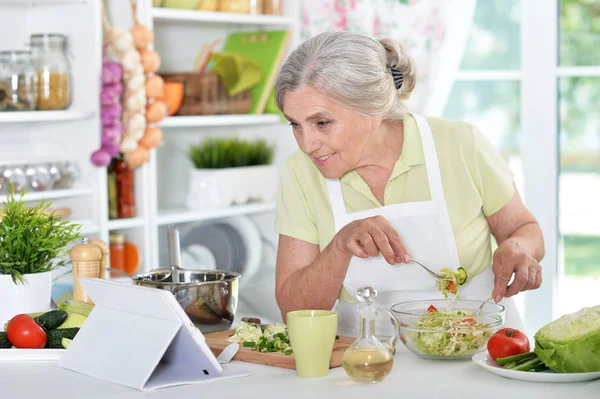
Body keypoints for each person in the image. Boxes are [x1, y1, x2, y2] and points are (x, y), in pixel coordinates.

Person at [272, 30, 544, 337]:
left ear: (372, 108)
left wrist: (519, 249)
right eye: (295, 123)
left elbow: (524, 229)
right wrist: (339, 248)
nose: (307, 145)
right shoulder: (300, 171)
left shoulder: (460, 144)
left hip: (478, 348)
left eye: (322, 123)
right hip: (365, 360)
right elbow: (292, 311)